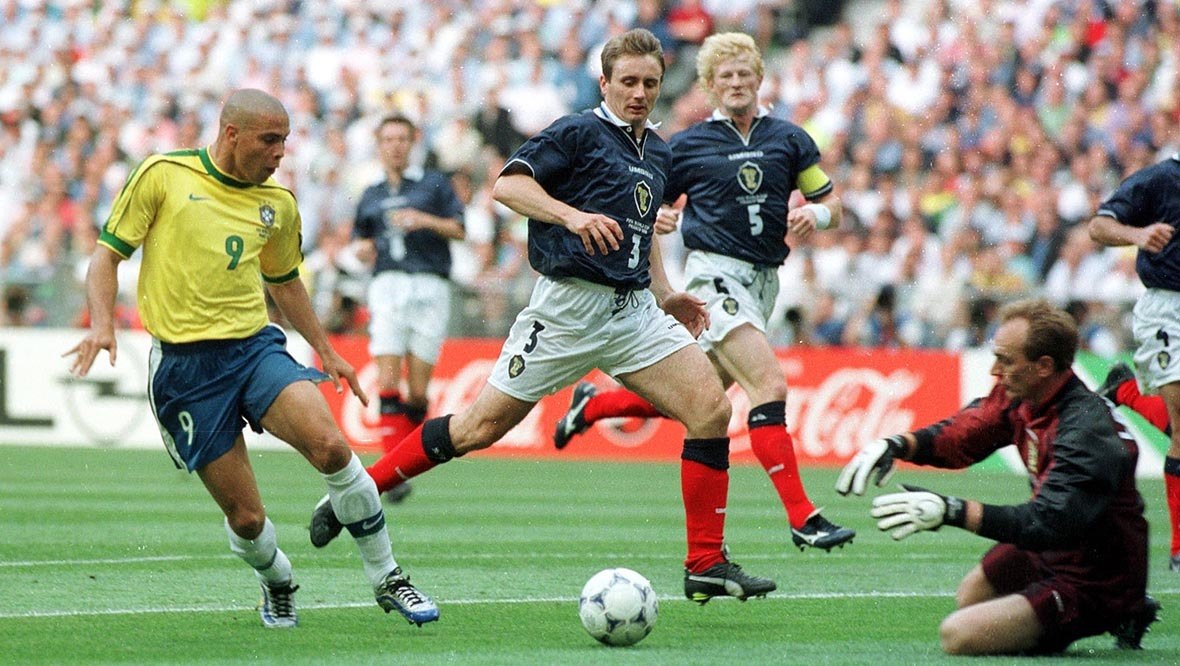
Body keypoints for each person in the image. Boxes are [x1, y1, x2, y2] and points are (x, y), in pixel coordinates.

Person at [309, 29, 777, 604]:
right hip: (567, 310)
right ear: (604, 82)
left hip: (633, 309)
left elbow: (644, 220)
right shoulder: (578, 131)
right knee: (477, 429)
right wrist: (572, 217)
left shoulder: (656, 148)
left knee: (709, 409)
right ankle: (356, 494)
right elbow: (508, 185)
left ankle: (705, 562)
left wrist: (666, 290)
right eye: (627, 81)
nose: (639, 93)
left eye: (650, 83)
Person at [64, 89, 439, 628]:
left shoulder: (278, 204)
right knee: (246, 517)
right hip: (185, 372)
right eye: (270, 140)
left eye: (285, 141)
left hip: (254, 348)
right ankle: (277, 578)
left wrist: (328, 350)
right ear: (231, 134)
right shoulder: (163, 174)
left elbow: (284, 282)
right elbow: (106, 257)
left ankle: (388, 577)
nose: (280, 153)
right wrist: (102, 323)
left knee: (332, 447)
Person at [551, 32, 855, 552]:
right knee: (769, 386)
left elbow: (834, 204)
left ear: (760, 79)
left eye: (744, 74)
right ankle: (804, 517)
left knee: (694, 402)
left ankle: (593, 407)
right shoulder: (687, 146)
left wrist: (816, 213)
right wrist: (662, 213)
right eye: (725, 76)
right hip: (714, 277)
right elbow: (644, 201)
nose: (736, 83)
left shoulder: (791, 139)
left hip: (763, 283)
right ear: (710, 87)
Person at [836, 299, 1157, 655]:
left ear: (1043, 366)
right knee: (970, 597)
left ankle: (1124, 610)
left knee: (959, 635)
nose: (994, 370)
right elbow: (965, 434)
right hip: (1054, 550)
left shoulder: (1085, 432)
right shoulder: (1025, 396)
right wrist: (899, 444)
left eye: (1005, 359)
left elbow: (1047, 522)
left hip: (1096, 576)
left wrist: (951, 510)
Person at [352, 114, 466, 503]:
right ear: (379, 144)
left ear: (412, 142)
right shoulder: (370, 194)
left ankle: (404, 457)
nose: (396, 145)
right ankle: (393, 476)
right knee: (387, 382)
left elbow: (460, 229)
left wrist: (424, 220)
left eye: (402, 138)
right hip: (388, 285)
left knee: (417, 395)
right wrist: (363, 250)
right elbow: (361, 241)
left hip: (430, 286)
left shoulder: (433, 184)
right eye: (388, 139)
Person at [1088, 154, 1180, 572]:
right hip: (1169, 311)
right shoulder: (1161, 178)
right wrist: (1139, 234)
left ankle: (1124, 390)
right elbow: (1099, 226)